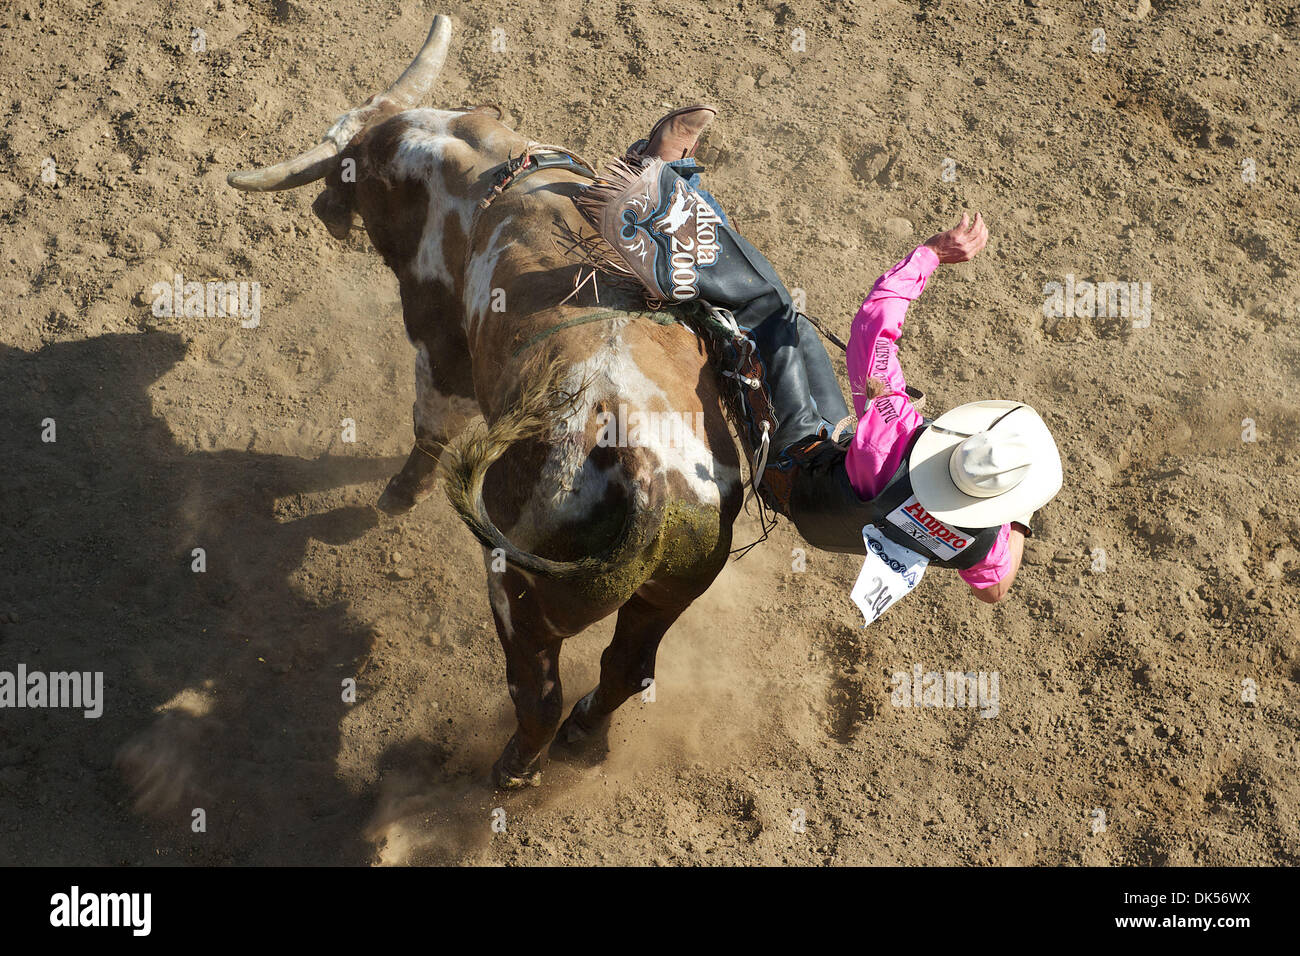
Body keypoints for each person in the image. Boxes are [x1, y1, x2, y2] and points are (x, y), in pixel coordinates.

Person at [579, 106, 1062, 615]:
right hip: (822, 508)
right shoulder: (983, 546)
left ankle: (656, 193)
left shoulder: (893, 431)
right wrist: (1015, 514)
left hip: (799, 462)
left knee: (771, 310)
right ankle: (674, 189)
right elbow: (995, 586)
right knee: (794, 334)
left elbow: (871, 331)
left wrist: (930, 255)